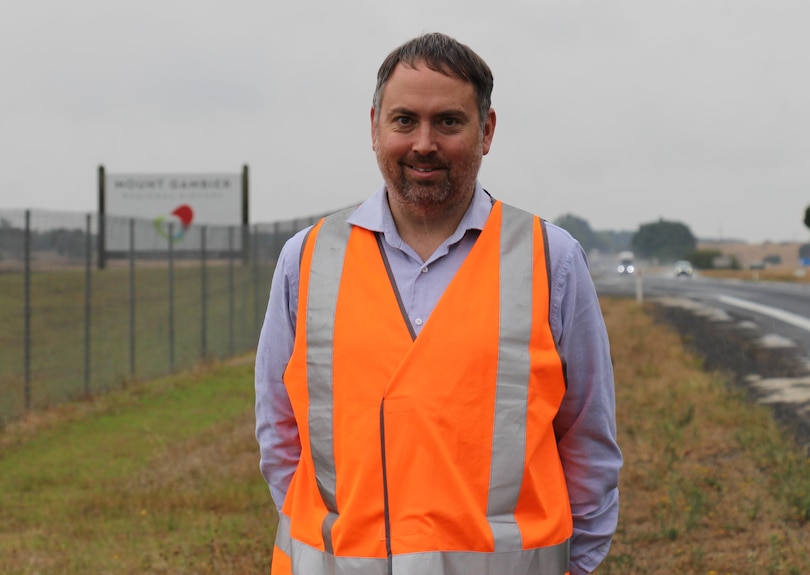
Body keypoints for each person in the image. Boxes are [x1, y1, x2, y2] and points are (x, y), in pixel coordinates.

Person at [255, 32, 622, 575]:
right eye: (404, 120)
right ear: (375, 126)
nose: (423, 142)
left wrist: (581, 564)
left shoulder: (551, 259)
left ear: (486, 131)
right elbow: (279, 434)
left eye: (448, 122)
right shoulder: (306, 260)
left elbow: (587, 441)